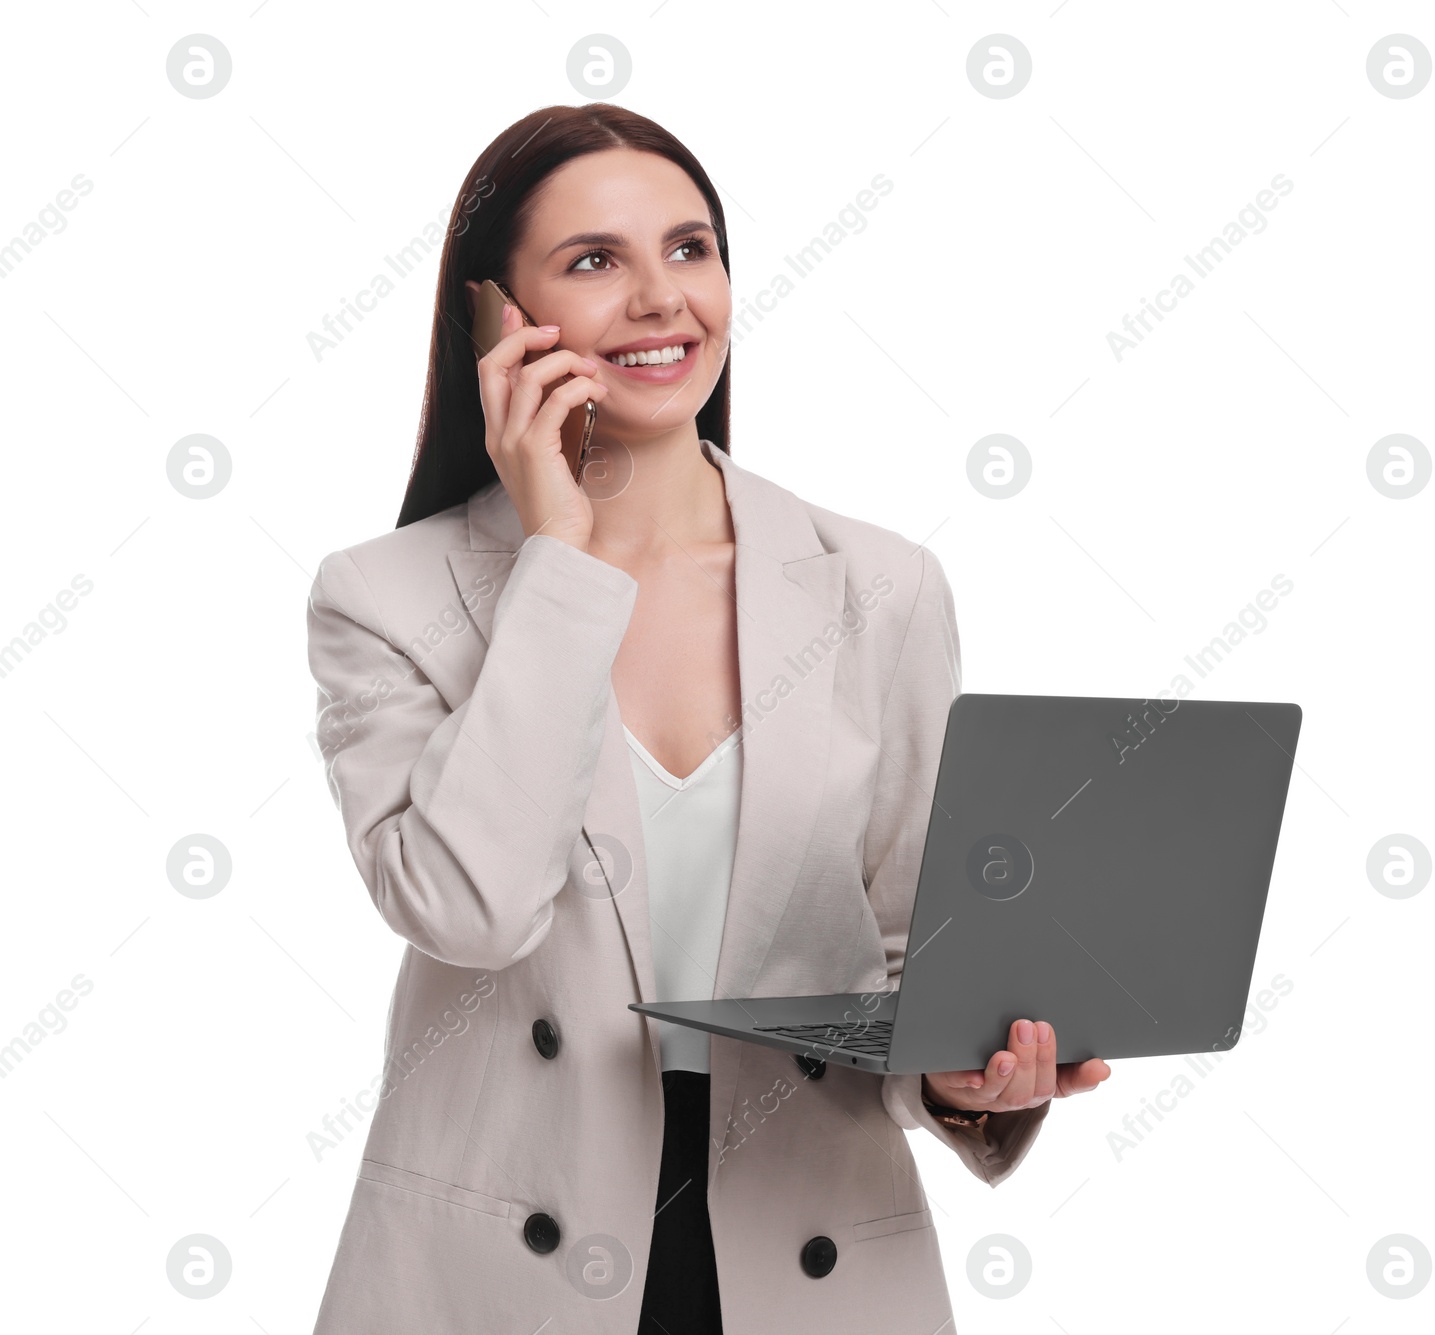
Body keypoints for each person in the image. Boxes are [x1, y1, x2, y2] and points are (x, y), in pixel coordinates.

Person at [305, 102, 1110, 1335]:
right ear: (493, 317)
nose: (660, 301)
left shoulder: (878, 588)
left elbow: (911, 956)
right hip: (495, 1274)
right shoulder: (387, 597)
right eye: (593, 263)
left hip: (811, 1249)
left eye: (689, 250)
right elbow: (471, 911)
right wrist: (562, 564)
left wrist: (969, 1084)